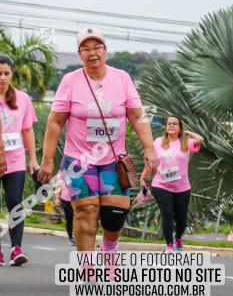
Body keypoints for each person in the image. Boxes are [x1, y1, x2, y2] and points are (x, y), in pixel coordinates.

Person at [38, 28, 156, 262]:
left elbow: (137, 115)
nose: (93, 53)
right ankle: (87, 265)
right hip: (78, 160)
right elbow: (55, 122)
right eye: (86, 49)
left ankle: (109, 250)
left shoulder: (122, 78)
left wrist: (149, 147)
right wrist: (48, 160)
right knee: (86, 210)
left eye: (97, 48)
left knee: (116, 212)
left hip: (114, 159)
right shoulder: (70, 81)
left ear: (105, 51)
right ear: (80, 54)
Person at [141, 116, 204, 252]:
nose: (171, 126)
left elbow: (200, 139)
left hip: (182, 187)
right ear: (165, 127)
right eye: (169, 123)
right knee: (167, 214)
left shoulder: (186, 142)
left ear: (180, 128)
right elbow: (151, 163)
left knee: (182, 218)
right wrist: (143, 178)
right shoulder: (158, 142)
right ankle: (169, 245)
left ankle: (179, 237)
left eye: (175, 124)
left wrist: (188, 133)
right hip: (161, 185)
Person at [0, 54, 39, 266]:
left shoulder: (22, 99)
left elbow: (27, 130)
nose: (3, 78)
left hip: (15, 160)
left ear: (12, 73)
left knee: (15, 201)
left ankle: (16, 249)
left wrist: (33, 158)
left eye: (7, 73)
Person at [53, 172, 75, 246]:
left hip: (78, 199)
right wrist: (57, 199)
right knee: (69, 219)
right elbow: (58, 185)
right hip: (66, 199)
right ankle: (71, 238)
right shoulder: (62, 170)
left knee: (79, 219)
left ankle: (79, 237)